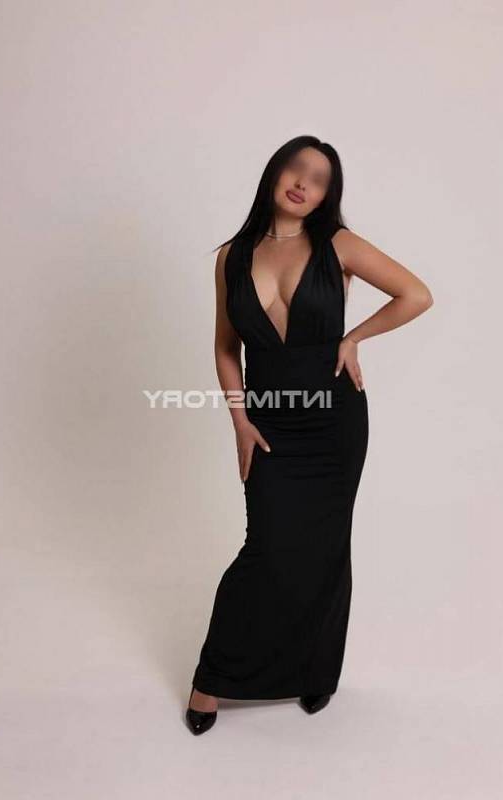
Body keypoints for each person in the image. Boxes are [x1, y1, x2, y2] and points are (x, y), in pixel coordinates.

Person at [185, 135, 434, 735]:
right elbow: (225, 348)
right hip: (268, 420)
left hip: (334, 421)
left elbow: (416, 295)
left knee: (324, 548)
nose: (303, 183)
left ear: (327, 195)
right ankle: (211, 681)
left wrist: (353, 338)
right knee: (265, 549)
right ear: (275, 172)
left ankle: (316, 671)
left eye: (319, 179)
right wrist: (240, 422)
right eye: (295, 169)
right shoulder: (231, 256)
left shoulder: (338, 244)